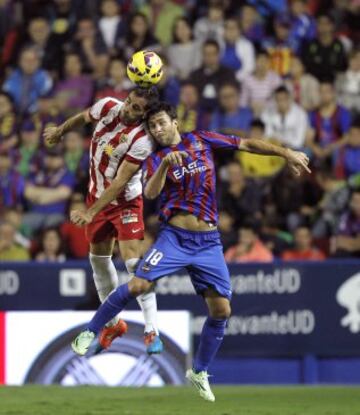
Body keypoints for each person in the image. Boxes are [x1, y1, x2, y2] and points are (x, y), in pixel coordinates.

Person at [71, 102, 310, 401]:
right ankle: (91, 331)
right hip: (175, 238)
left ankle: (198, 372)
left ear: (174, 122)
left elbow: (247, 143)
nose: (157, 129)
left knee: (222, 310)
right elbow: (151, 194)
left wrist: (286, 153)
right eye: (152, 126)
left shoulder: (201, 139)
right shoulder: (152, 157)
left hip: (209, 242)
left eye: (161, 123)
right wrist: (165, 166)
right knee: (138, 284)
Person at [43, 87, 163, 354]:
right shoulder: (109, 105)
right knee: (98, 260)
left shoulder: (143, 140)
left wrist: (90, 212)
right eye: (129, 102)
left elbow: (120, 182)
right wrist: (60, 131)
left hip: (125, 202)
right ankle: (112, 323)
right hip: (96, 197)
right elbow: (84, 116)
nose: (128, 109)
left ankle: (151, 330)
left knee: (133, 263)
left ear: (144, 115)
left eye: (135, 108)